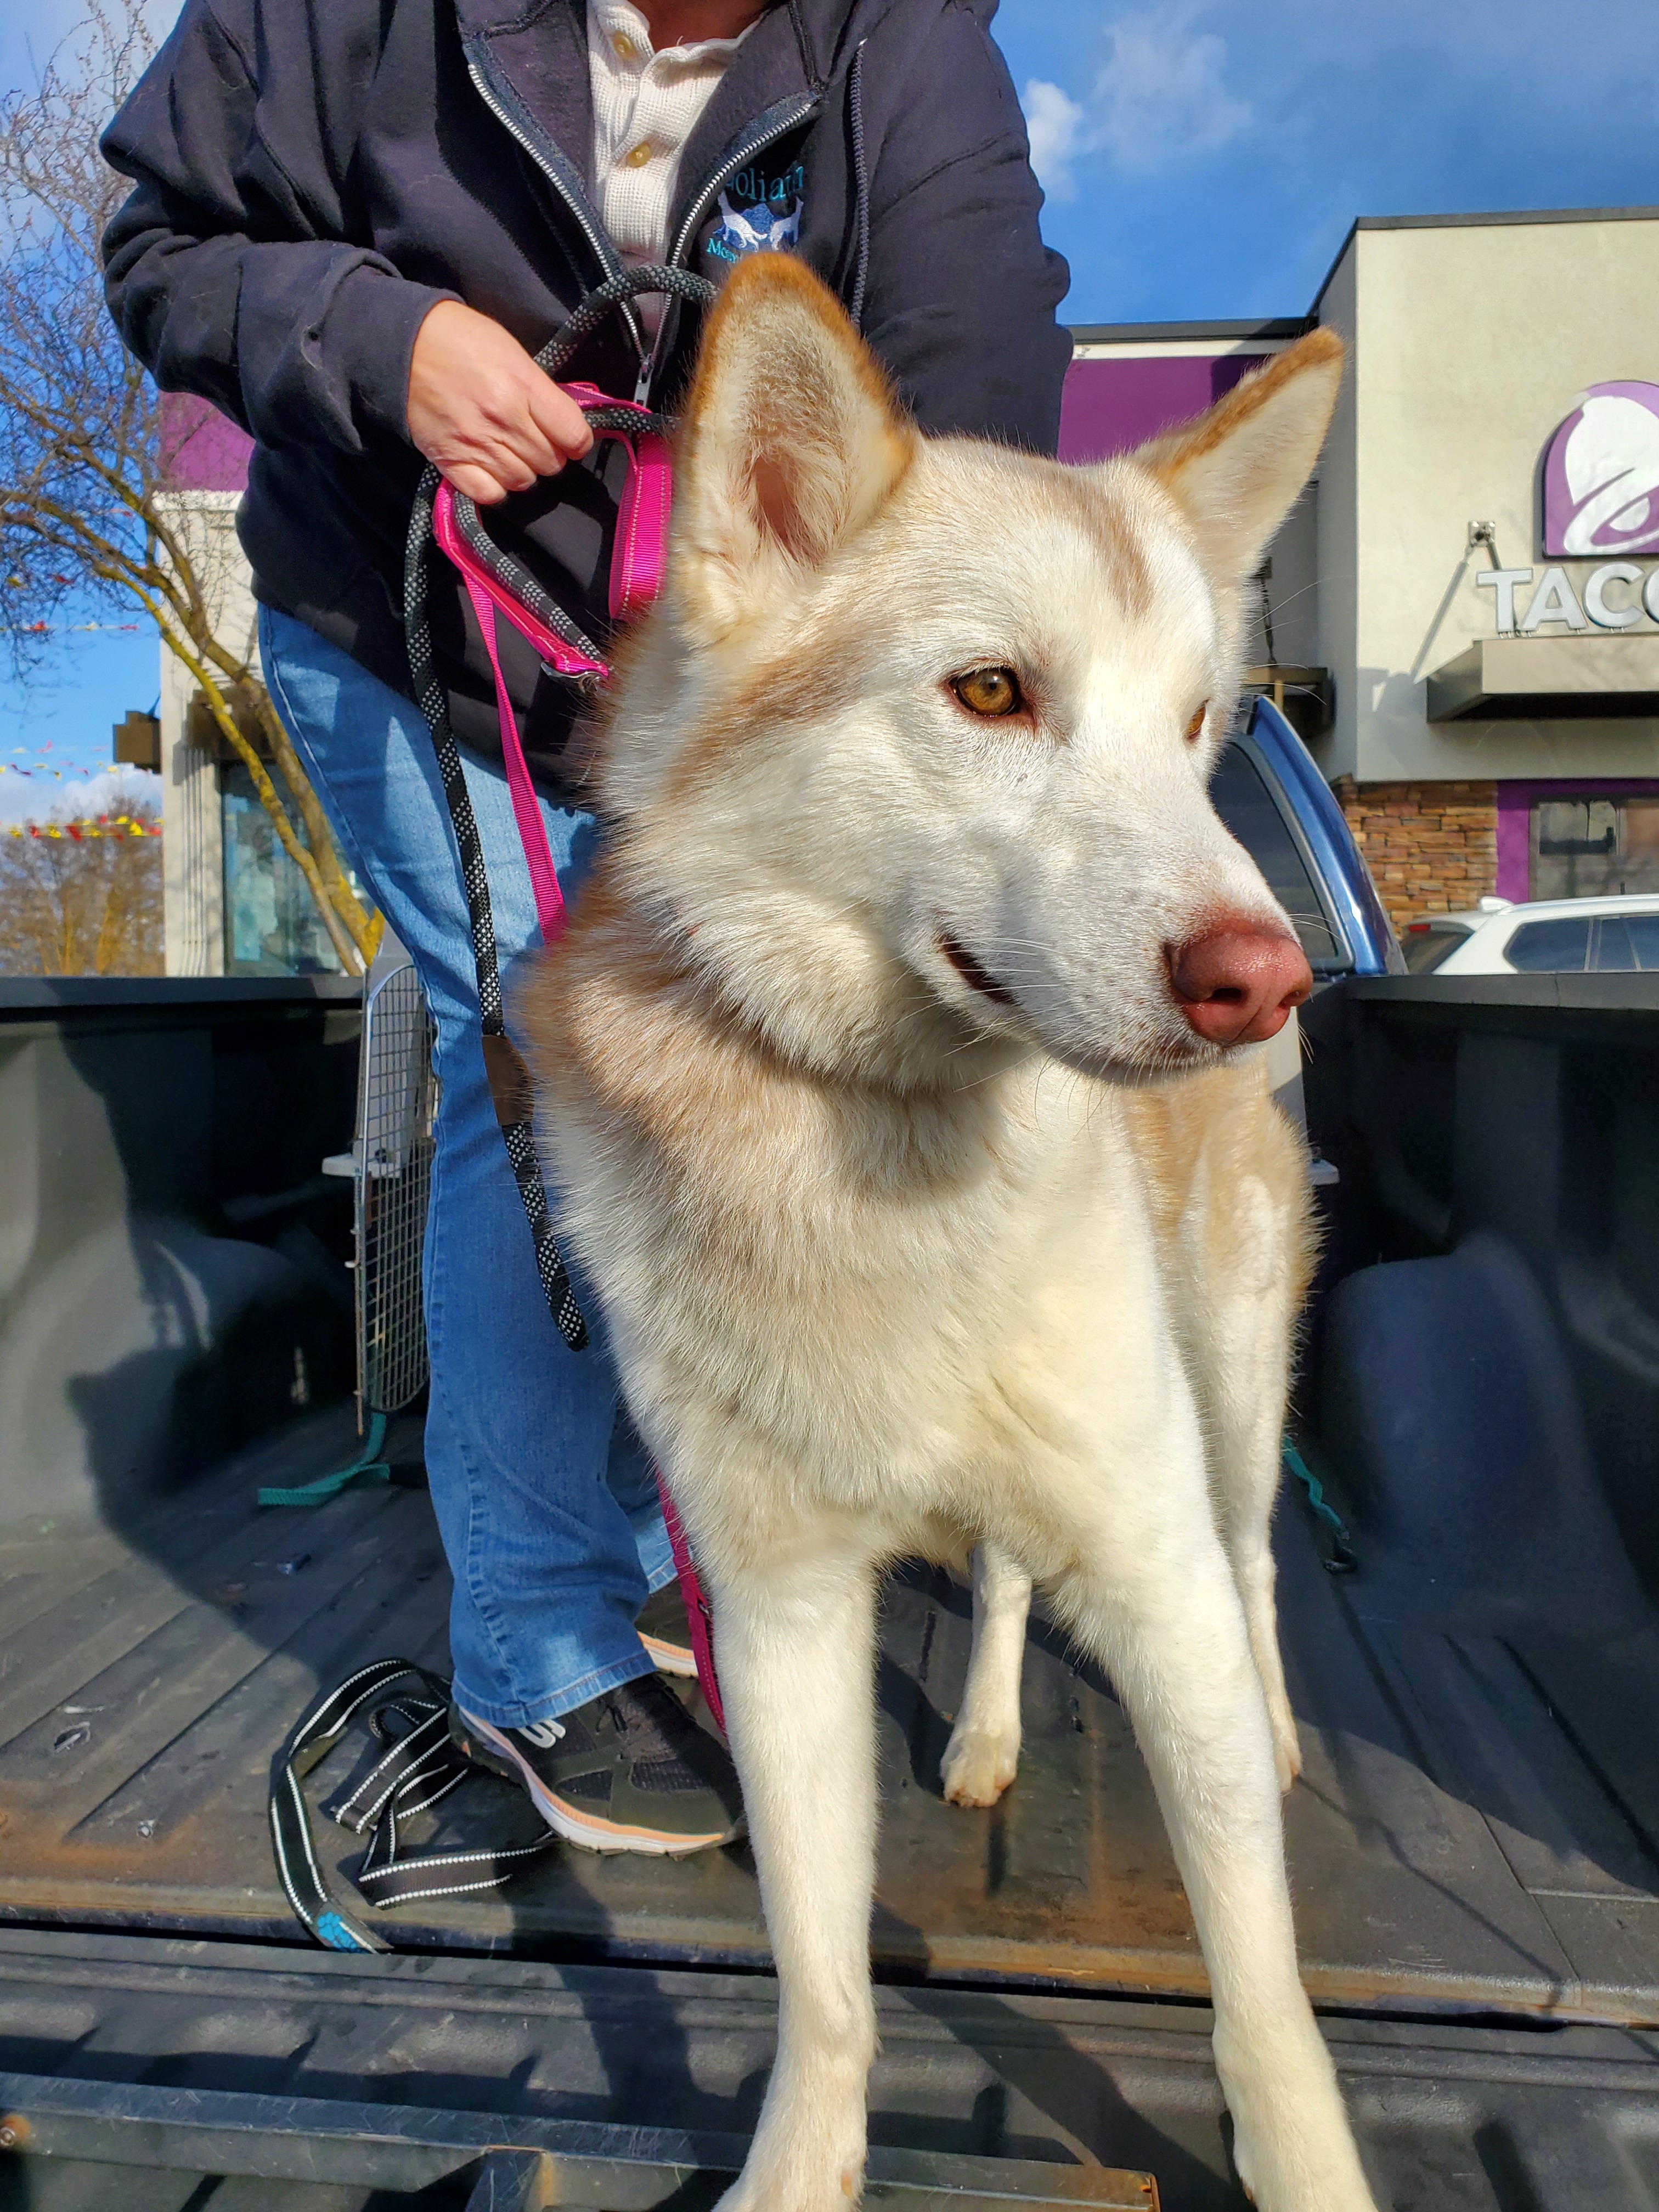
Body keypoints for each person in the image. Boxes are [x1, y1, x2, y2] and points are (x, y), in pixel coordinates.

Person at [102, 0, 1070, 1857]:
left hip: (726, 676)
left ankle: (628, 1548)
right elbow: (166, 243)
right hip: (416, 641)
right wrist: (377, 339)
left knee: (723, 1079)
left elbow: (970, 360)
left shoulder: (905, 41)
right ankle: (539, 1648)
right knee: (547, 1063)